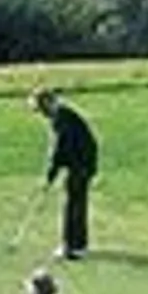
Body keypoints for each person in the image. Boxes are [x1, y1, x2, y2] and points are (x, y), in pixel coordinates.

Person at [33, 87, 98, 258]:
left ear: (48, 103)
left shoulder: (62, 118)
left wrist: (49, 177)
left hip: (82, 164)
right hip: (80, 163)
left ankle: (74, 246)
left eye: (42, 109)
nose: (42, 114)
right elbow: (60, 150)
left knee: (74, 205)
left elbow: (60, 150)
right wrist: (52, 174)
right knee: (74, 203)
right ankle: (75, 244)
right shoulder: (61, 115)